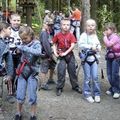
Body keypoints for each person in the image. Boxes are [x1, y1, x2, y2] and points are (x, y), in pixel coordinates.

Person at [14, 25, 41, 120]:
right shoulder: (22, 43)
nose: (24, 40)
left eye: (25, 38)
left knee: (32, 95)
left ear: (31, 35)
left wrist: (24, 48)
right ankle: (18, 113)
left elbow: (38, 52)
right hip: (22, 72)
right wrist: (18, 50)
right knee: (20, 94)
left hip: (32, 73)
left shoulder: (36, 43)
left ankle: (33, 115)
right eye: (22, 39)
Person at [52, 18, 82, 96]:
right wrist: (55, 52)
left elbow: (72, 45)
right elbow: (54, 44)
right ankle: (59, 87)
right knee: (61, 71)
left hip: (69, 55)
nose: (66, 26)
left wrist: (66, 53)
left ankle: (75, 86)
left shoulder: (71, 35)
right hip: (61, 56)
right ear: (61, 25)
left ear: (70, 26)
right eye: (64, 25)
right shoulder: (57, 35)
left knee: (72, 71)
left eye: (68, 25)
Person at [78, 19, 101, 103]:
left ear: (95, 27)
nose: (91, 27)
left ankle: (97, 93)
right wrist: (90, 46)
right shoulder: (83, 35)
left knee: (95, 77)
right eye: (89, 25)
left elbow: (98, 45)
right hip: (86, 59)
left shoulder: (95, 36)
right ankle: (87, 94)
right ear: (85, 27)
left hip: (94, 59)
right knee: (87, 77)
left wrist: (98, 47)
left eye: (92, 25)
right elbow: (80, 44)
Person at [103, 22, 120, 99]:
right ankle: (113, 87)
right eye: (105, 29)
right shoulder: (108, 36)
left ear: (112, 29)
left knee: (114, 74)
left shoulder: (115, 37)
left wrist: (104, 37)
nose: (105, 31)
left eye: (107, 29)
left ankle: (117, 90)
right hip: (109, 57)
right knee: (109, 74)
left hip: (116, 58)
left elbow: (108, 44)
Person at [7, 13, 22, 99]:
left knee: (19, 72)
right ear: (10, 20)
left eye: (18, 20)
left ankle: (17, 89)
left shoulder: (23, 29)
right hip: (9, 55)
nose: (16, 22)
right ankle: (10, 92)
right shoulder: (7, 29)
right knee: (10, 73)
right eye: (14, 20)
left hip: (20, 55)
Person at [0, 22, 13, 110]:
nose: (10, 31)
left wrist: (9, 73)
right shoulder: (2, 43)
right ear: (4, 29)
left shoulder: (5, 42)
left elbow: (9, 60)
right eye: (9, 29)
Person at [39, 22, 56, 90]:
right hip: (45, 54)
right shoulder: (44, 33)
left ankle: (50, 79)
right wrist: (50, 54)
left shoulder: (48, 32)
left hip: (49, 53)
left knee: (52, 65)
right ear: (44, 25)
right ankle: (42, 84)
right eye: (48, 25)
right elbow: (45, 45)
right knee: (44, 69)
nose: (50, 26)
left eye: (51, 25)